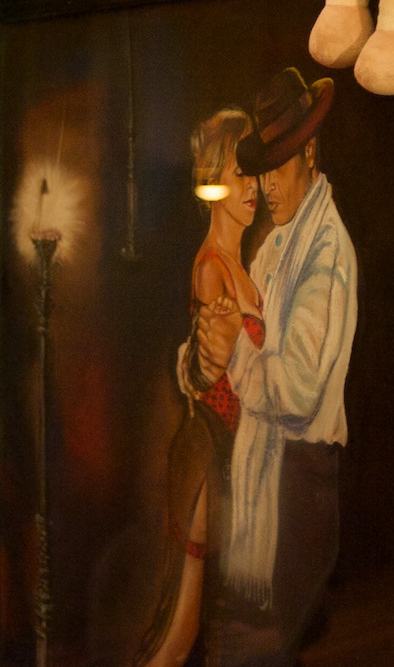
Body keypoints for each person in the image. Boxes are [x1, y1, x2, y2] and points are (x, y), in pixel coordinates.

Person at [197, 67, 358, 666]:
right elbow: (240, 336)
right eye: (260, 171)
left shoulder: (327, 253)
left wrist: (233, 351)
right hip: (268, 484)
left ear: (310, 154)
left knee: (260, 650)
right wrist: (203, 353)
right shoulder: (275, 246)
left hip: (299, 490)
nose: (265, 186)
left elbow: (294, 391)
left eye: (278, 166)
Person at [134, 108, 265, 667]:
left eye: (254, 172)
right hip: (210, 455)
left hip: (231, 457)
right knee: (182, 628)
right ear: (213, 181)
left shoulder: (241, 263)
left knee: (202, 626)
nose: (251, 188)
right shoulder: (212, 267)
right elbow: (218, 371)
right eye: (238, 174)